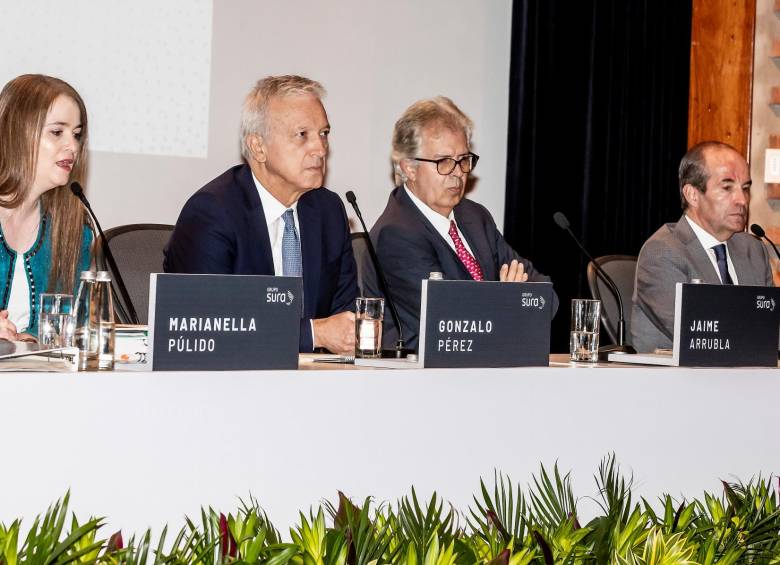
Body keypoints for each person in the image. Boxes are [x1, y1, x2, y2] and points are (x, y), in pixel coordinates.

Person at [164, 75, 357, 354]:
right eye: (302, 134)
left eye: (324, 133)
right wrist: (314, 334)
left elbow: (345, 314)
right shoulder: (212, 213)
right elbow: (207, 329)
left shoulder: (328, 211)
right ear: (258, 147)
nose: (320, 148)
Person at [364, 96, 556, 351]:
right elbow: (452, 320)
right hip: (426, 370)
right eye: (444, 161)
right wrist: (510, 300)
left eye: (464, 159)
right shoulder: (396, 234)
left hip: (485, 364)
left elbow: (545, 296)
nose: (458, 172)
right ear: (409, 168)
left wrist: (509, 301)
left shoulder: (475, 217)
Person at [631, 140, 773, 352]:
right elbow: (700, 334)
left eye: (745, 188)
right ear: (692, 195)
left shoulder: (753, 250)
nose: (742, 200)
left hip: (748, 370)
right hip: (678, 372)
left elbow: (772, 327)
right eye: (727, 187)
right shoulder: (662, 252)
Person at [0, 74, 93, 341]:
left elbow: (79, 326)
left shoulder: (74, 231)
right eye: (57, 132)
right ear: (16, 133)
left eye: (77, 135)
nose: (72, 146)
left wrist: (29, 339)